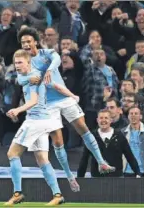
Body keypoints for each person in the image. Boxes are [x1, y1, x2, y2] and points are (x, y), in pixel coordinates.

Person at [17, 27, 115, 179]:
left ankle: (101, 162)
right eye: (23, 42)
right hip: (47, 105)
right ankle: (69, 175)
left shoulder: (47, 54)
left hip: (63, 98)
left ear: (35, 42)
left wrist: (49, 70)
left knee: (82, 128)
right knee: (57, 141)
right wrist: (29, 79)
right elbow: (20, 79)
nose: (26, 44)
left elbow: (57, 59)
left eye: (28, 41)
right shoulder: (24, 63)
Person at [5, 50, 64, 206]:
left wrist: (18, 110)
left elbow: (34, 101)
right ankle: (57, 195)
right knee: (42, 159)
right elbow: (21, 80)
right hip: (44, 121)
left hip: (35, 121)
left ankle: (17, 193)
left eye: (20, 62)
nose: (17, 66)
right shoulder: (26, 76)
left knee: (12, 154)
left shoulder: (34, 78)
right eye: (15, 63)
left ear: (28, 62)